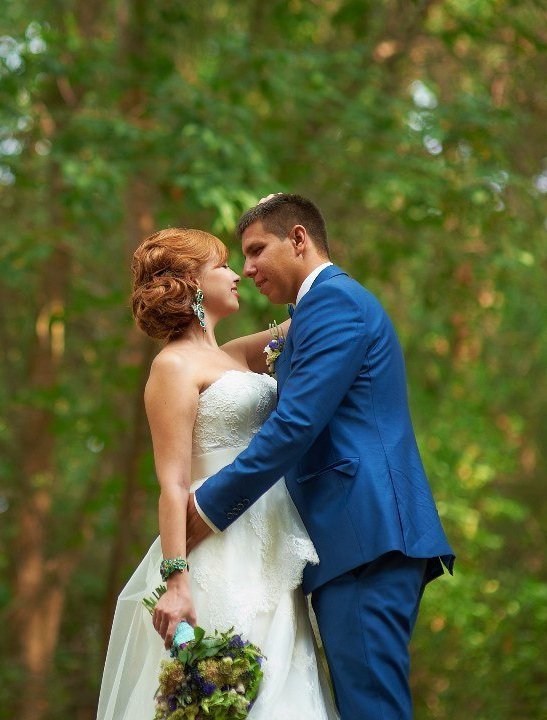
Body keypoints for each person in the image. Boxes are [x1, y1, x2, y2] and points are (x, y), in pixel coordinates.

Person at [183, 194, 456, 719]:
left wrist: (207, 507)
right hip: (350, 544)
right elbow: (244, 363)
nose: (248, 268)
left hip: (365, 538)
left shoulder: (335, 304)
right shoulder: (313, 312)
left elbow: (295, 425)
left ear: (299, 239)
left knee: (372, 708)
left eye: (257, 250)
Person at [97, 227, 336, 720]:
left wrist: (297, 246)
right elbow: (172, 483)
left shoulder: (236, 354)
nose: (238, 274)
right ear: (190, 282)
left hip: (273, 535)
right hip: (219, 543)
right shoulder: (172, 366)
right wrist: (176, 582)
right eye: (223, 265)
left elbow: (315, 313)